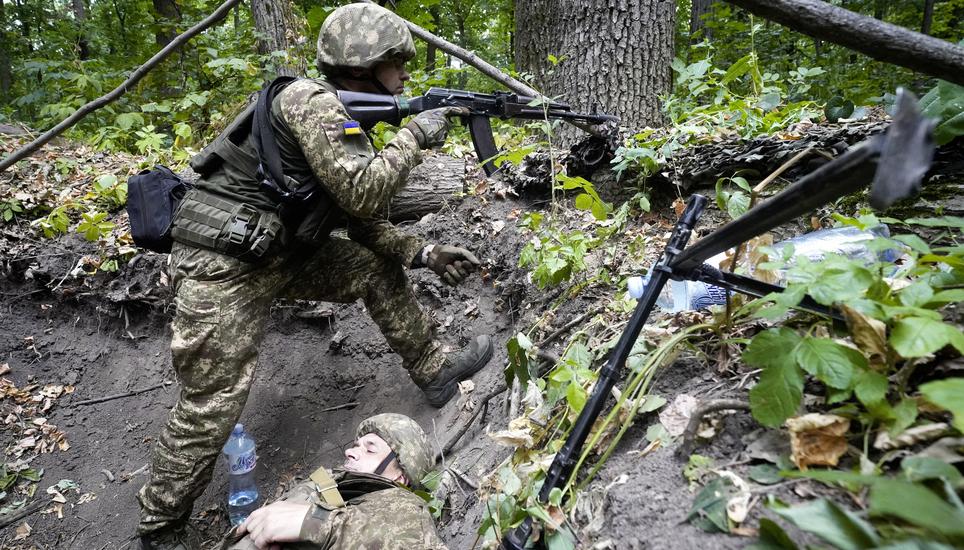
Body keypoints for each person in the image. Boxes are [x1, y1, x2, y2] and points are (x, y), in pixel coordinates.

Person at [137, 4, 493, 549]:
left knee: (372, 269)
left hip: (276, 256)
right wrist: (415, 134)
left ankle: (435, 371)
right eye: (398, 64)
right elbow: (366, 191)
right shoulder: (310, 102)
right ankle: (159, 528)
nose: (404, 77)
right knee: (210, 406)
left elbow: (364, 223)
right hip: (220, 270)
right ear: (366, 63)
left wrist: (424, 253)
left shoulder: (342, 122)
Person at [226, 413, 447, 550]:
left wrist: (317, 524)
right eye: (356, 445)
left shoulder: (403, 506)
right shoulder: (327, 482)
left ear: (400, 476)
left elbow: (407, 537)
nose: (350, 451)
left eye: (370, 449)